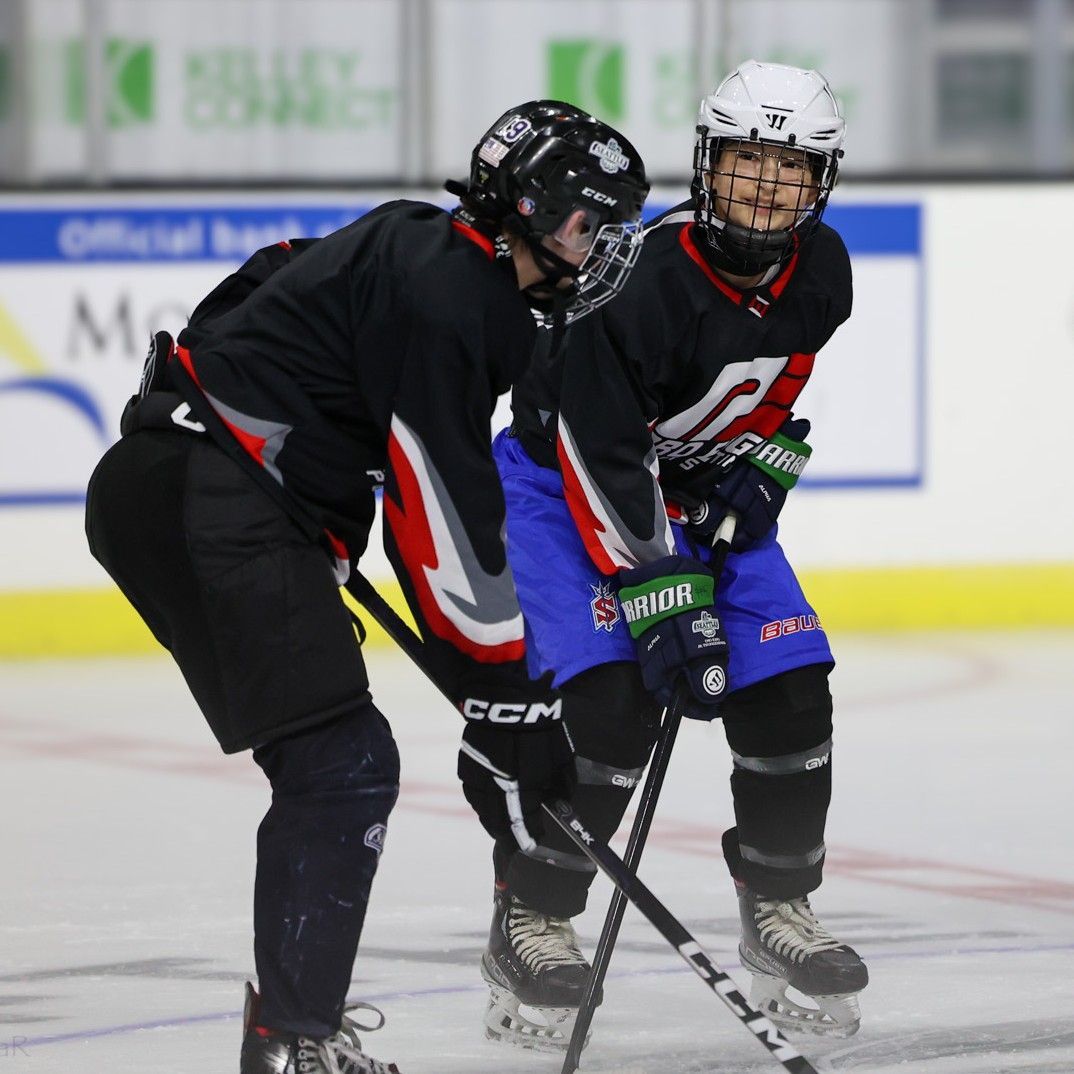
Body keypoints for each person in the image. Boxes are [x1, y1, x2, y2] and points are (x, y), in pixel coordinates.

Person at [84, 100, 649, 1074]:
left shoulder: (408, 238)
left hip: (158, 480)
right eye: (586, 224)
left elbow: (263, 278)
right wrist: (512, 694)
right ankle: (299, 1047)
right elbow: (440, 511)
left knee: (329, 760)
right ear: (530, 207)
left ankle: (290, 1039)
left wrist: (247, 434)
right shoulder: (466, 296)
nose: (596, 250)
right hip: (213, 500)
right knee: (343, 768)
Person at [474, 61, 868, 1049]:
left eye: (791, 169)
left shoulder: (823, 270)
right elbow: (595, 449)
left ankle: (778, 910)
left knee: (791, 689)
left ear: (821, 182)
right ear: (707, 166)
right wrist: (665, 595)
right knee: (614, 711)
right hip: (565, 487)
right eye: (746, 163)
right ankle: (533, 914)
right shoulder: (637, 281)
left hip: (685, 485)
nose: (767, 188)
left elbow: (776, 383)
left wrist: (765, 461)